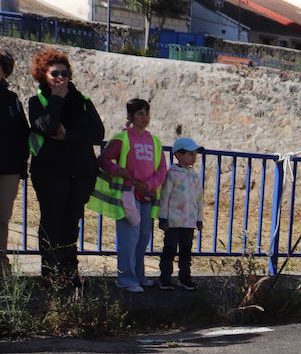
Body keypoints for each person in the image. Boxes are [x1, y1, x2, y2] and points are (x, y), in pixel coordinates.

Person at [27, 49, 104, 288]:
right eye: (55, 73)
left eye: (64, 72)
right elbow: (48, 126)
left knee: (71, 222)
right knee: (52, 222)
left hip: (80, 172)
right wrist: (57, 97)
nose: (61, 77)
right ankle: (49, 274)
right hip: (50, 173)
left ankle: (69, 273)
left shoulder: (82, 101)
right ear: (43, 75)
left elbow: (97, 133)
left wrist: (68, 135)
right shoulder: (37, 102)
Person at [95, 98, 166, 293]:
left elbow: (161, 170)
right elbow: (104, 159)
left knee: (143, 237)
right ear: (131, 117)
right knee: (129, 238)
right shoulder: (122, 138)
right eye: (140, 114)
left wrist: (148, 185)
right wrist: (119, 171)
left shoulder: (155, 141)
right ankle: (126, 279)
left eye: (147, 113)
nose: (145, 118)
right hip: (128, 196)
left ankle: (139, 275)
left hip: (147, 196)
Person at [157, 137, 203, 290]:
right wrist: (163, 218)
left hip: (189, 222)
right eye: (190, 154)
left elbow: (199, 199)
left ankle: (185, 278)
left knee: (186, 252)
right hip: (173, 222)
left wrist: (199, 219)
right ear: (178, 155)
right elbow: (165, 197)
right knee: (169, 250)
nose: (194, 157)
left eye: (194, 154)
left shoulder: (194, 176)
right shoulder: (172, 174)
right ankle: (165, 278)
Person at [0, 46, 28, 279]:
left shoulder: (12, 100)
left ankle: (2, 264)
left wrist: (21, 165)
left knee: (2, 217)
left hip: (8, 168)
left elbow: (23, 133)